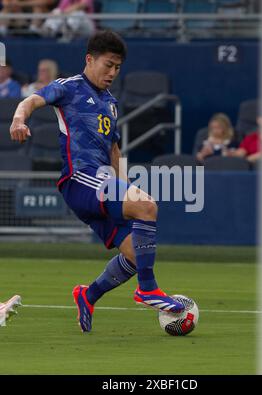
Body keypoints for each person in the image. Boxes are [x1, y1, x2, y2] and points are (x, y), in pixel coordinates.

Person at [10, 30, 185, 333]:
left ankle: (87, 295)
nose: (113, 72)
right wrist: (18, 118)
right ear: (89, 59)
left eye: (118, 67)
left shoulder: (111, 103)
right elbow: (32, 100)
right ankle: (148, 290)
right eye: (108, 65)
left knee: (134, 252)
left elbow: (114, 150)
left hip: (102, 183)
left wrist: (127, 186)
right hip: (80, 179)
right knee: (148, 207)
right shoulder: (69, 87)